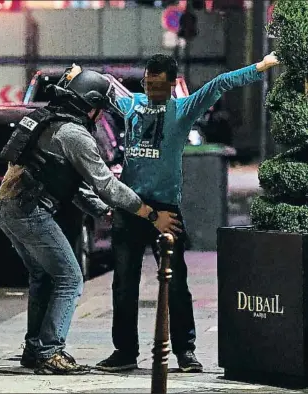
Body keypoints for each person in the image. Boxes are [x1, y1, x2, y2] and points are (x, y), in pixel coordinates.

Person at [95, 53, 280, 373]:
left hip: (166, 208)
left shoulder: (182, 110)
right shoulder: (133, 105)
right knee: (124, 283)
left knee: (177, 282)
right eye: (148, 83)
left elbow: (220, 83)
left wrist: (261, 67)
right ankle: (124, 351)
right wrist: (77, 75)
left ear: (170, 85)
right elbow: (106, 86)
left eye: (158, 85)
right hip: (129, 206)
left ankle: (185, 351)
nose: (152, 90)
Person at [0, 69, 182, 375]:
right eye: (99, 110)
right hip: (30, 211)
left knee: (43, 276)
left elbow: (66, 183)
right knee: (70, 278)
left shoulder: (48, 120)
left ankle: (35, 349)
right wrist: (148, 212)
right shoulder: (74, 134)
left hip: (8, 205)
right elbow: (106, 184)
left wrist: (101, 211)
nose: (99, 117)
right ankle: (50, 351)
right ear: (89, 104)